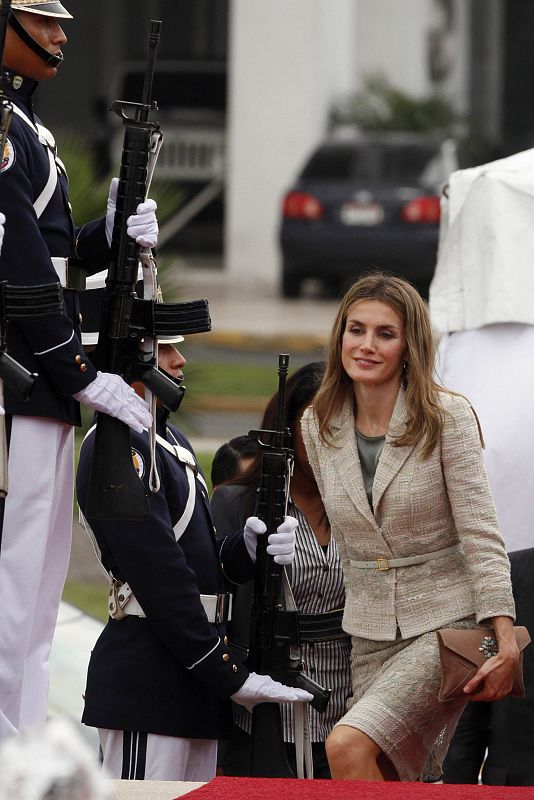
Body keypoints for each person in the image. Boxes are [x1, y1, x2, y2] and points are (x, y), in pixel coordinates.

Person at [0, 0, 158, 741]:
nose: (61, 36)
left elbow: (55, 251)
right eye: (41, 19)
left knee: (37, 591)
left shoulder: (29, 129)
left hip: (42, 388)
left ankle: (22, 749)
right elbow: (20, 266)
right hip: (20, 387)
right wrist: (75, 370)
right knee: (11, 586)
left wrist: (112, 231)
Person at [300, 272, 518, 783]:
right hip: (369, 628)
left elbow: (482, 532)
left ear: (409, 346)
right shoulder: (318, 422)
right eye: (356, 330)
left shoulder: (447, 417)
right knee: (394, 774)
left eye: (385, 334)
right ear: (340, 336)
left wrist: (503, 636)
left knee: (346, 746)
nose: (367, 345)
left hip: (450, 623)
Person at [76, 338, 313, 783]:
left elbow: (199, 558)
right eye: (162, 348)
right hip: (151, 686)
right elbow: (160, 578)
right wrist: (229, 676)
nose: (179, 361)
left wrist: (244, 550)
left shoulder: (166, 440)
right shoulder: (115, 445)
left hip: (193, 683)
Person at [430, 146, 534, 785]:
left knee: (481, 742)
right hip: (479, 581)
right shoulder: (462, 343)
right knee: (476, 735)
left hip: (478, 579)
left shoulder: (461, 348)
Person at [210, 363, 352, 779]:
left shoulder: (358, 504)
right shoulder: (239, 502)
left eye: (339, 424)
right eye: (314, 425)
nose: (327, 438)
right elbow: (213, 594)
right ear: (287, 429)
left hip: (350, 715)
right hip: (261, 714)